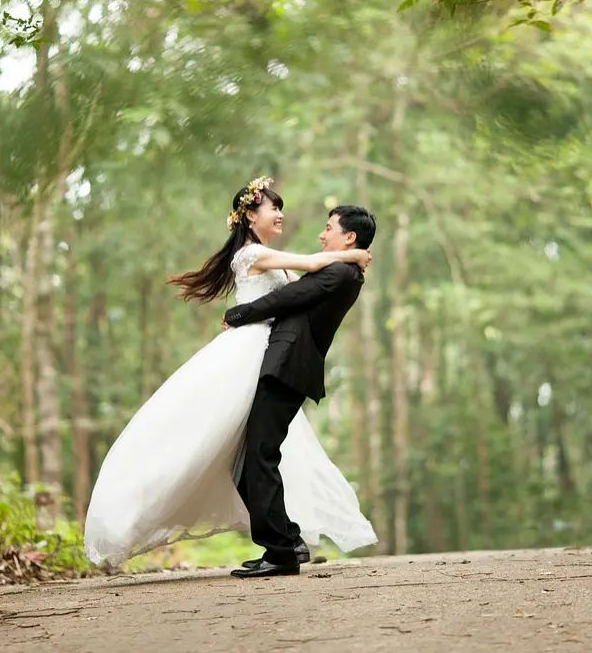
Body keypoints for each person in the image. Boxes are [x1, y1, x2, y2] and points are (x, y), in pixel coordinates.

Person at [83, 177, 377, 566]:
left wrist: (350, 258)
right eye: (274, 208)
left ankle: (286, 542)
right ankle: (283, 542)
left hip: (267, 356)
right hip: (246, 355)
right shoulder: (251, 254)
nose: (281, 214)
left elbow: (300, 288)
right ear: (251, 215)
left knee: (255, 450)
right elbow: (311, 266)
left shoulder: (276, 258)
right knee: (235, 448)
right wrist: (354, 256)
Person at [223, 202, 377, 578]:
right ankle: (288, 541)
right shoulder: (343, 269)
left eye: (329, 228)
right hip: (283, 364)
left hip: (288, 365)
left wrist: (238, 314)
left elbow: (285, 298)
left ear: (349, 237)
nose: (322, 234)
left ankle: (280, 552)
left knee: (258, 455)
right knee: (253, 456)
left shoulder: (341, 273)